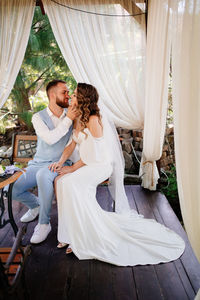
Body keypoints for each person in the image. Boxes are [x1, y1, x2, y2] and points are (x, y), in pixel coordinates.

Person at [49, 83, 185, 266]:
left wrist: (73, 168)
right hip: (89, 163)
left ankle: (82, 236)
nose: (71, 98)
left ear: (83, 99)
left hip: (99, 165)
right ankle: (67, 234)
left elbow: (95, 154)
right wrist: (60, 162)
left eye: (74, 95)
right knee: (62, 183)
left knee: (72, 184)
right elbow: (72, 144)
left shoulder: (94, 119)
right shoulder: (78, 118)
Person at [12, 80, 78, 244]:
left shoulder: (72, 115)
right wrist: (68, 119)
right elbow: (49, 139)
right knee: (11, 188)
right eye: (64, 92)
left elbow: (72, 143)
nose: (68, 95)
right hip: (38, 163)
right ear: (52, 95)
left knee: (43, 175)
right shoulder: (38, 117)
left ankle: (44, 223)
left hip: (61, 163)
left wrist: (70, 118)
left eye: (68, 92)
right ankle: (36, 206)